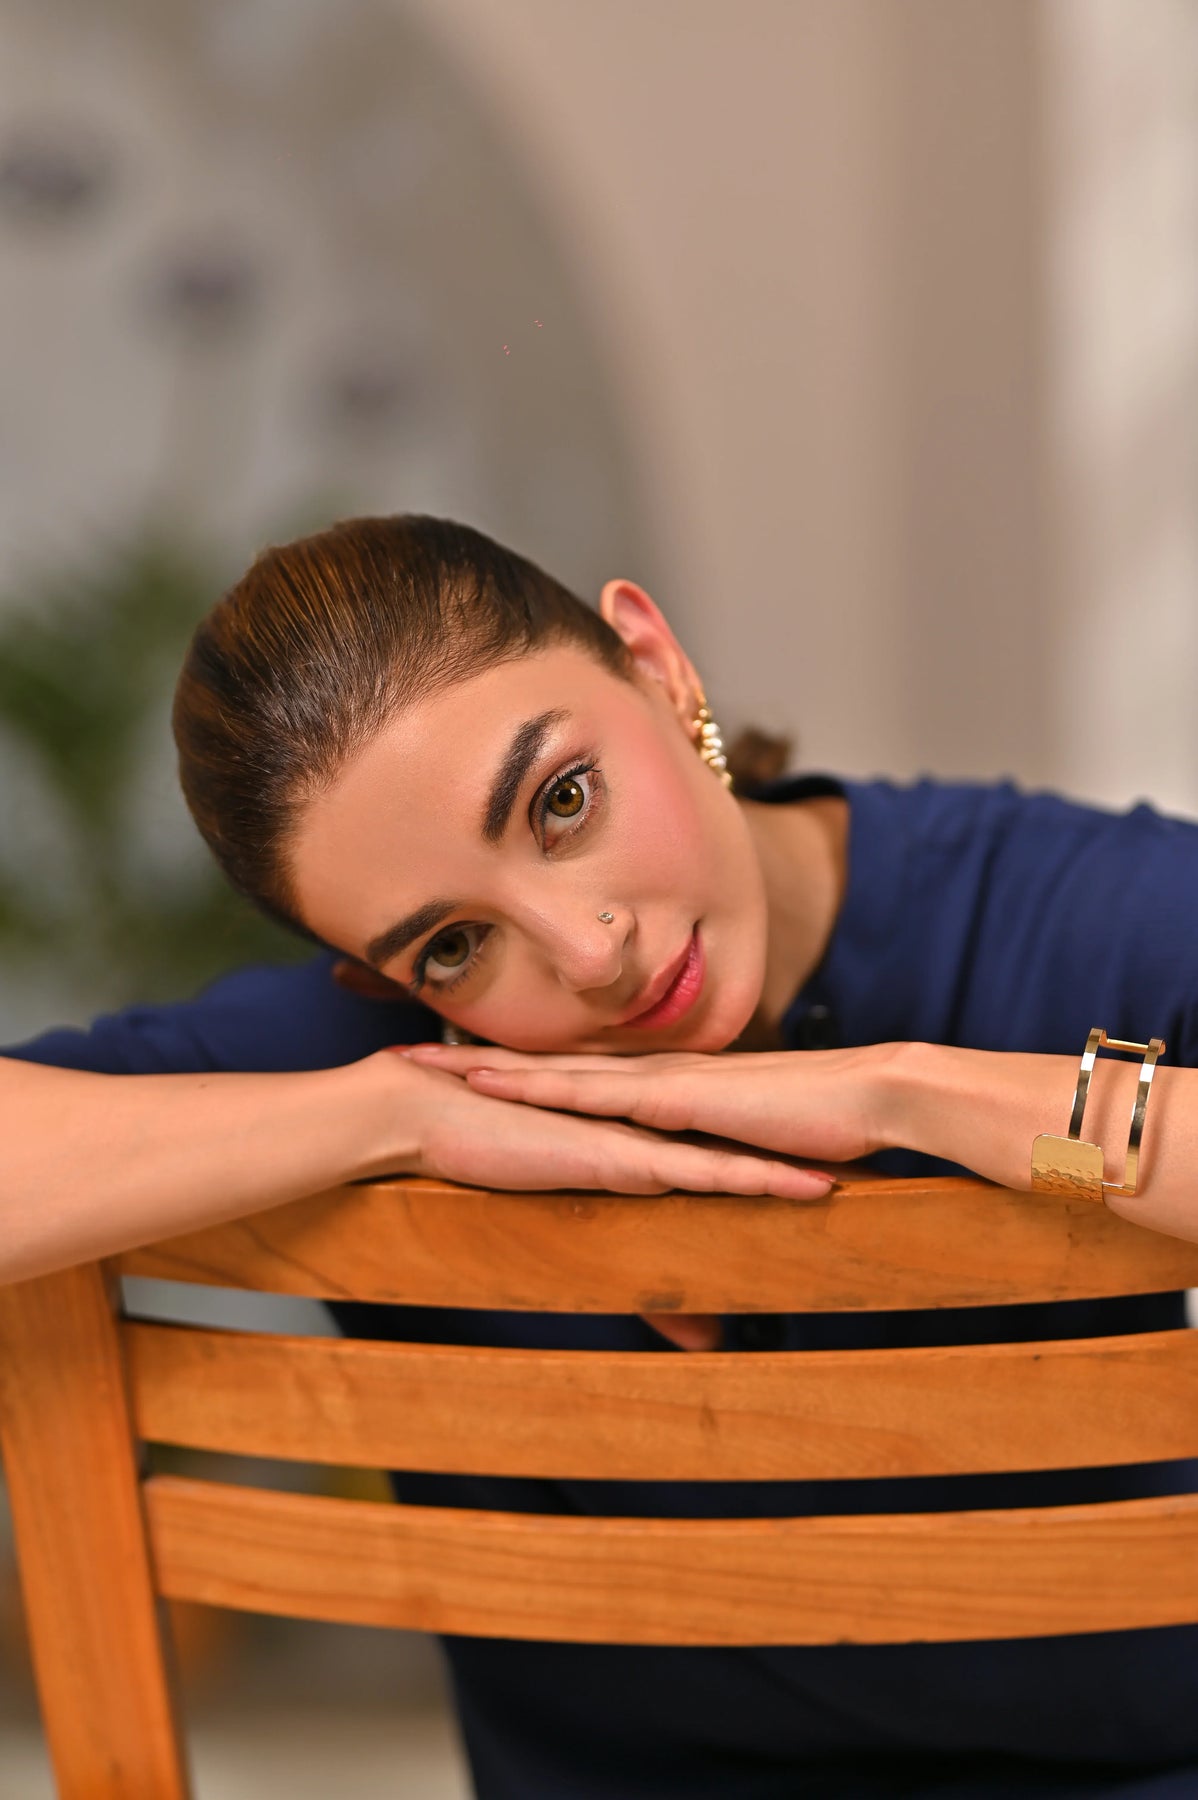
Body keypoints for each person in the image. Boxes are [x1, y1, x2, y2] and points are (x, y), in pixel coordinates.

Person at [3, 513, 1198, 1798]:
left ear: (658, 668)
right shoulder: (383, 1056)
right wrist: (392, 1116)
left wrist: (908, 1096)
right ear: (381, 982)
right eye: (453, 945)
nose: (589, 954)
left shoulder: (1068, 911)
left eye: (563, 802)